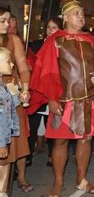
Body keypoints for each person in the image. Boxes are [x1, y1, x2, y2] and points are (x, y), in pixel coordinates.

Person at [29, 0, 94, 197]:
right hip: (63, 101)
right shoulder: (55, 42)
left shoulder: (92, 42)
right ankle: (58, 181)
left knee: (85, 140)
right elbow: (47, 72)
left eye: (82, 14)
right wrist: (51, 98)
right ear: (66, 17)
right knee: (59, 142)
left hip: (88, 100)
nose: (81, 17)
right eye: (76, 14)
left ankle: (81, 179)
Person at [0, 5, 32, 197]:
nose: (8, 24)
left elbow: (23, 67)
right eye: (3, 20)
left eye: (9, 20)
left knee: (7, 147)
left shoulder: (13, 40)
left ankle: (2, 193)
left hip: (9, 98)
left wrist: (25, 88)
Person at [27, 18, 62, 167]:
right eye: (48, 27)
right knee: (32, 125)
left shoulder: (64, 45)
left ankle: (51, 155)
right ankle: (27, 155)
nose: (50, 30)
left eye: (54, 27)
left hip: (54, 92)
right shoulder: (35, 45)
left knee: (53, 125)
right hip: (38, 91)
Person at [0, 48, 21, 197]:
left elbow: (12, 106)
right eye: (8, 61)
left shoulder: (4, 86)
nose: (12, 64)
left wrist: (18, 95)